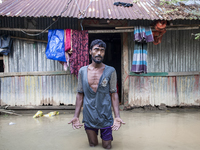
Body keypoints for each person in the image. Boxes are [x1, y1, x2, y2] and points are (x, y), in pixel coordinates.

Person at [68, 39, 125, 149]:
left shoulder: (110, 71)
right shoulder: (82, 71)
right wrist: (76, 116)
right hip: (89, 115)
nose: (99, 53)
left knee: (107, 146)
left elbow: (114, 94)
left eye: (102, 50)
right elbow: (80, 94)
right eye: (96, 50)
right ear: (90, 52)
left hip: (105, 115)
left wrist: (117, 116)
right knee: (92, 144)